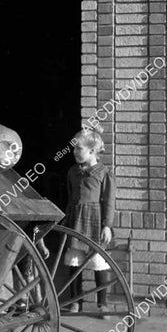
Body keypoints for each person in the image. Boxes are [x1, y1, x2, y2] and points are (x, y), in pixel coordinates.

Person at [63, 124, 116, 314]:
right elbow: (70, 197)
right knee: (74, 261)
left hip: (94, 221)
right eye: (74, 148)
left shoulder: (103, 173)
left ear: (92, 151)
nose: (75, 152)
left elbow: (109, 201)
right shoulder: (72, 172)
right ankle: (75, 301)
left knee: (98, 262)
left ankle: (103, 304)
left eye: (79, 148)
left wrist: (107, 226)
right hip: (76, 221)